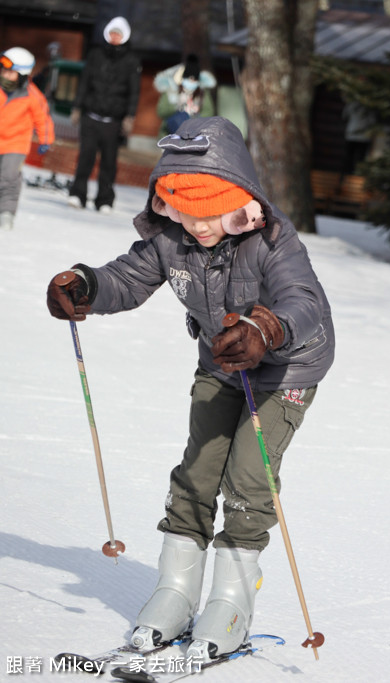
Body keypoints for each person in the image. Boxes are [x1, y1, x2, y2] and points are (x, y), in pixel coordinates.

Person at [47, 116, 335, 661]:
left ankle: (229, 603)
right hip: (222, 362)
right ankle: (176, 592)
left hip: (283, 369)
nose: (198, 226)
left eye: (210, 213)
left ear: (238, 199)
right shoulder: (171, 240)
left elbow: (305, 301)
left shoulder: (273, 240)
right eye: (183, 211)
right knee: (197, 473)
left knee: (249, 477)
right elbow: (127, 278)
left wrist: (264, 328)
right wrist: (86, 284)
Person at [67, 16, 141, 214]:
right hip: (91, 116)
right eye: (112, 33)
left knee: (109, 162)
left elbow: (134, 91)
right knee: (85, 158)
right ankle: (78, 194)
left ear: (124, 36)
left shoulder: (131, 60)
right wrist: (77, 107)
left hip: (113, 121)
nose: (114, 37)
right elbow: (84, 83)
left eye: (118, 34)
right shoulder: (95, 54)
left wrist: (129, 116)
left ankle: (104, 200)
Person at [0, 47, 55, 230]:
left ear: (22, 75)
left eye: (11, 73)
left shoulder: (33, 96)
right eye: (4, 71)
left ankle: (6, 214)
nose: (6, 76)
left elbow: (43, 119)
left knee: (8, 177)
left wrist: (45, 139)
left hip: (16, 143)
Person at [154, 54, 216, 138]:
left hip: (194, 135)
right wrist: (176, 106)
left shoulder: (203, 94)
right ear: (183, 78)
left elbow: (209, 112)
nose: (191, 82)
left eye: (194, 80)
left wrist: (195, 119)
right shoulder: (171, 91)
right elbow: (161, 112)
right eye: (189, 79)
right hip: (170, 134)